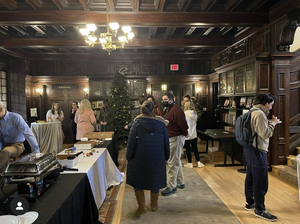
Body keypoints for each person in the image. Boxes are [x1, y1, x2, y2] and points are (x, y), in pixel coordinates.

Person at [126, 100, 170, 218]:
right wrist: (166, 157)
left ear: (141, 110)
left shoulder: (137, 124)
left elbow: (131, 143)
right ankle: (154, 206)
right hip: (157, 157)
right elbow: (166, 142)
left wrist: (128, 157)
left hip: (139, 158)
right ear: (153, 110)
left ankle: (142, 207)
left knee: (138, 182)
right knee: (154, 180)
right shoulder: (161, 124)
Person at [244, 93, 281, 222]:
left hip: (249, 148)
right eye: (271, 105)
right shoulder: (260, 114)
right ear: (266, 103)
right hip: (258, 150)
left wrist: (268, 122)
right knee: (261, 180)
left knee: (250, 176)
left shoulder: (252, 111)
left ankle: (250, 202)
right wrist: (273, 123)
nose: (271, 108)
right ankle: (260, 209)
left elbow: (256, 128)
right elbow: (265, 134)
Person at [0, 100, 40, 176]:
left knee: (5, 151)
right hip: (4, 145)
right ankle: (4, 182)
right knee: (3, 165)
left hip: (17, 145)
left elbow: (28, 134)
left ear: (1, 109)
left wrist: (37, 151)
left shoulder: (15, 118)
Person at [161, 93, 188, 196]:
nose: (164, 101)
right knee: (176, 160)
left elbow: (183, 124)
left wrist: (185, 134)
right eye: (163, 99)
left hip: (176, 138)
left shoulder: (177, 110)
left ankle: (171, 186)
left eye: (166, 99)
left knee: (172, 162)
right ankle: (181, 183)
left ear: (172, 99)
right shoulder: (170, 109)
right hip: (173, 137)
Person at [183, 100, 205, 168]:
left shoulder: (185, 113)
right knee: (195, 148)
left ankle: (190, 163)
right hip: (194, 133)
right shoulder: (195, 113)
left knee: (188, 149)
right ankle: (198, 162)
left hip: (187, 133)